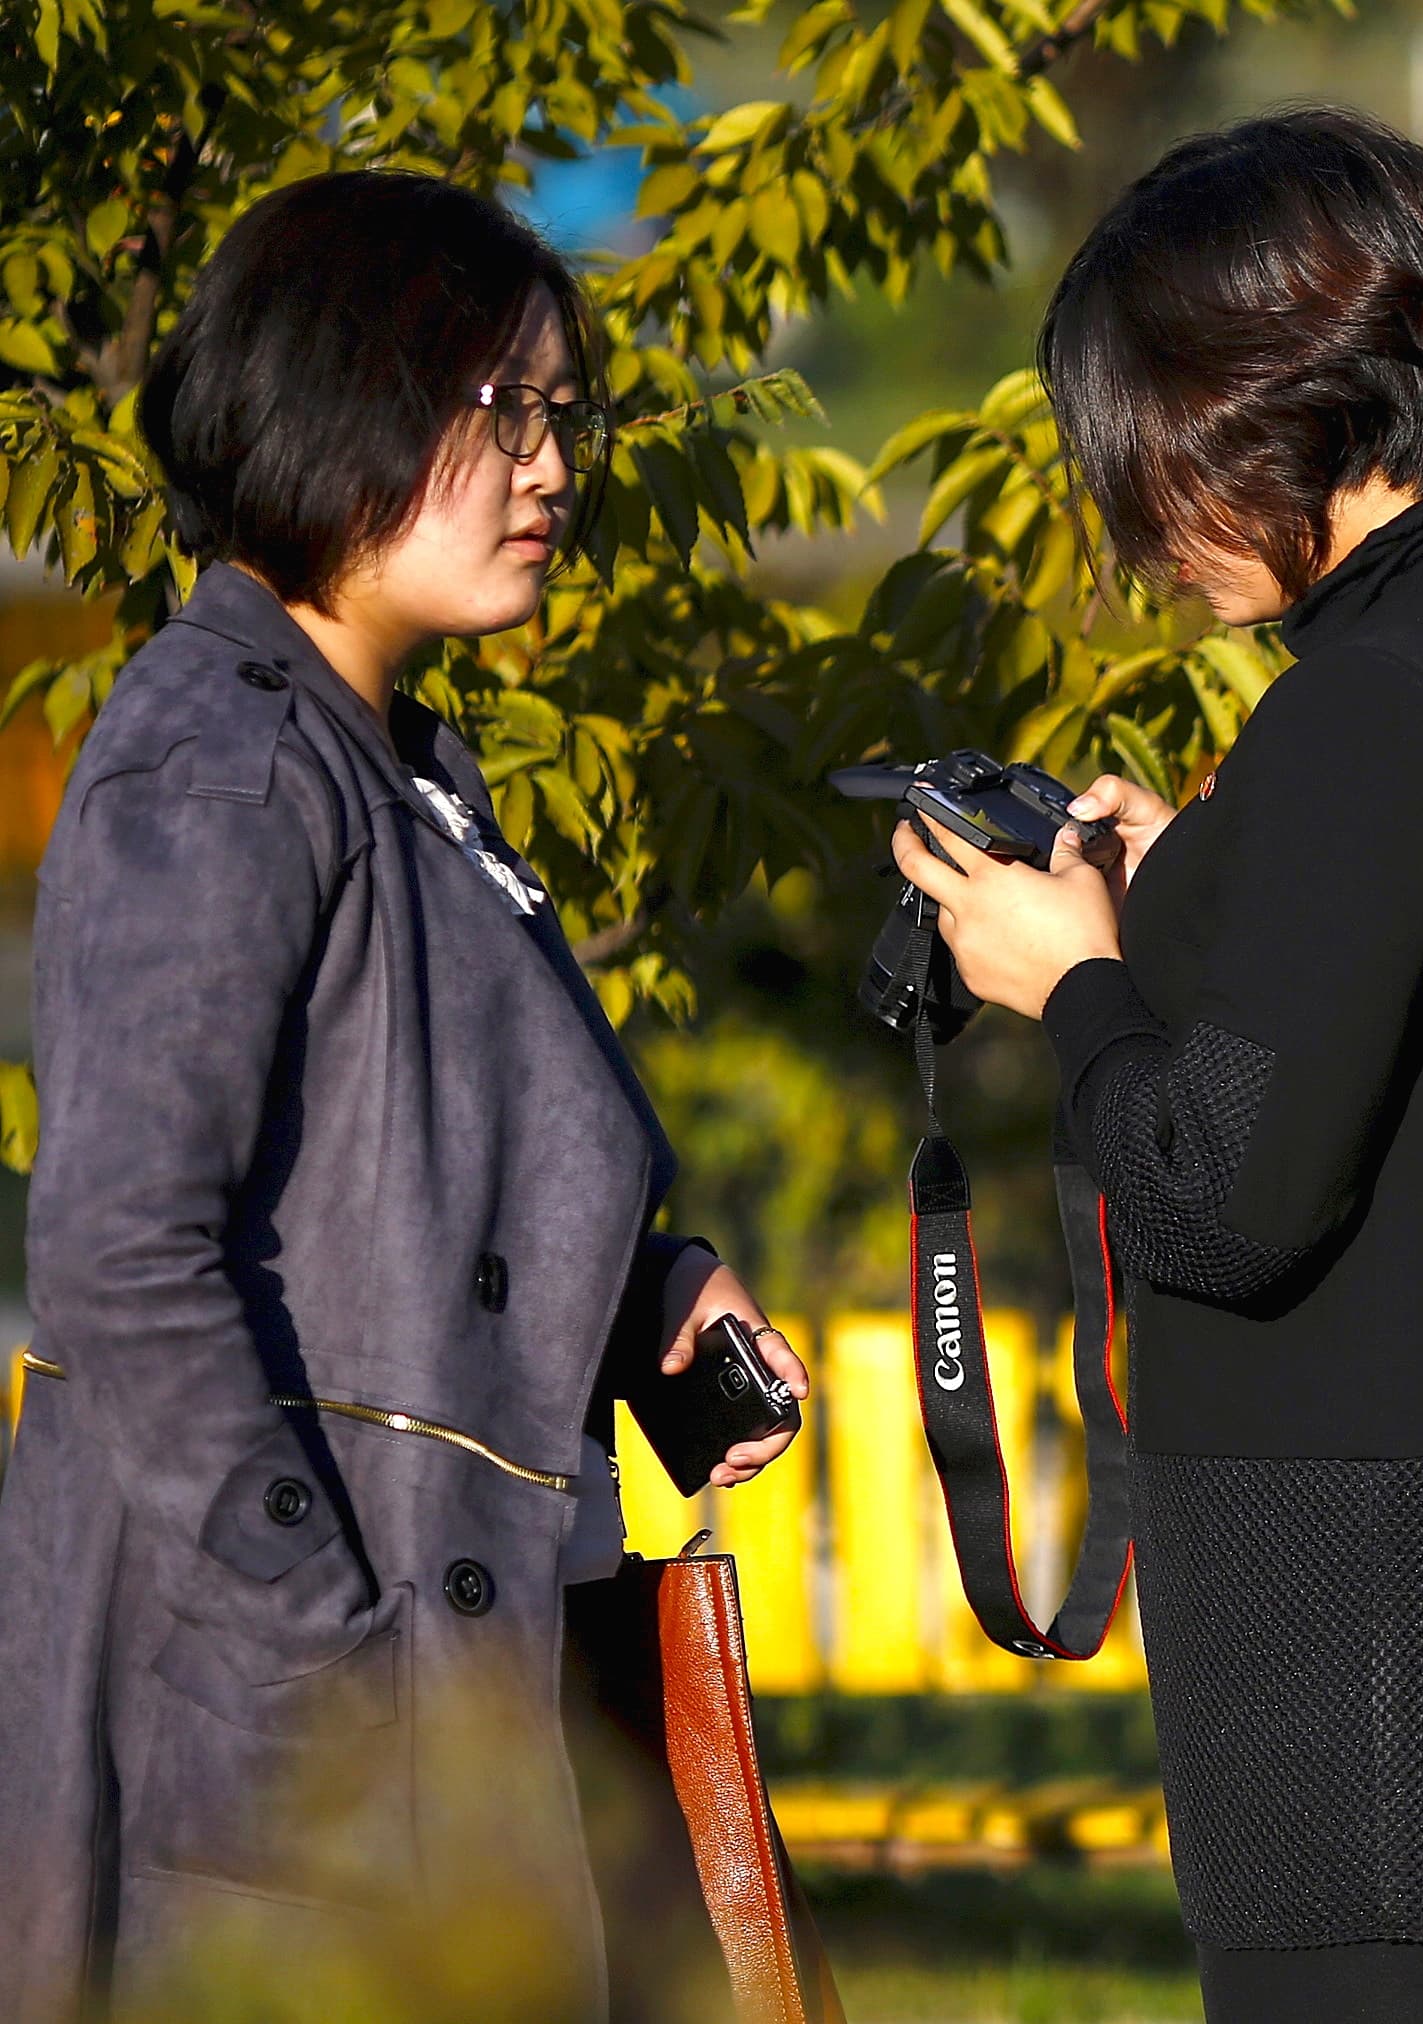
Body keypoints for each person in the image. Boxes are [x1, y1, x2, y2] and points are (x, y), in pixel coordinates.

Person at [889, 107, 1423, 2024]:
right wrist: (1205, 887)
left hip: (1383, 1689)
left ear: (1252, 414)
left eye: (1142, 463)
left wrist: (1072, 985)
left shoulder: (1374, 711)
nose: (1140, 528)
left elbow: (1216, 1197)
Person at [0, 171, 810, 2020]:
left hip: (429, 1707)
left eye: (558, 413)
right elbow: (126, 1257)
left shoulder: (399, 761)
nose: (551, 467)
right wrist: (330, 1652)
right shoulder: (220, 762)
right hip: (289, 1746)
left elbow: (409, 1187)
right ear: (329, 401)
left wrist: (650, 1298)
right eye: (494, 409)